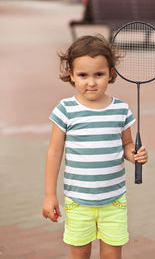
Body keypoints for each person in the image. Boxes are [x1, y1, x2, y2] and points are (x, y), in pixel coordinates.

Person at [42, 35, 148, 259]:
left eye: (98, 74)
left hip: (114, 200)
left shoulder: (120, 109)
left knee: (112, 255)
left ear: (110, 73)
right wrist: (50, 194)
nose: (91, 82)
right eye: (83, 75)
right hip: (78, 201)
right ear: (71, 75)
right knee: (79, 254)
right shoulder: (65, 109)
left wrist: (134, 154)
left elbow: (127, 144)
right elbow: (54, 152)